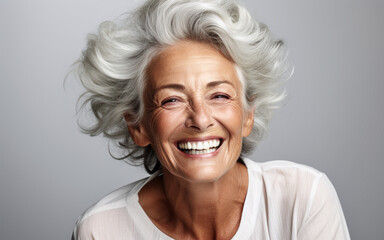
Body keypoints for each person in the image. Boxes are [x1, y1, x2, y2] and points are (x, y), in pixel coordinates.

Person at [71, 0, 351, 239]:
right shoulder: (101, 230)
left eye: (219, 96)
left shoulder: (303, 198)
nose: (201, 119)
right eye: (172, 100)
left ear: (248, 115)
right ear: (138, 125)